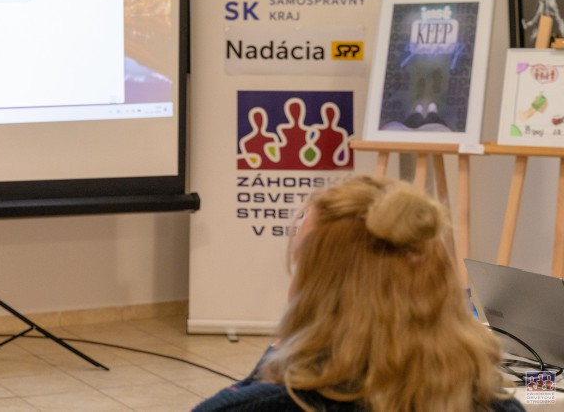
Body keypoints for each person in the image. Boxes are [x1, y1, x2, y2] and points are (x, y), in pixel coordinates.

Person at [194, 175, 524, 412]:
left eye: (301, 268)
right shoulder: (495, 403)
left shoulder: (263, 405)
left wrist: (282, 353)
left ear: (320, 293)